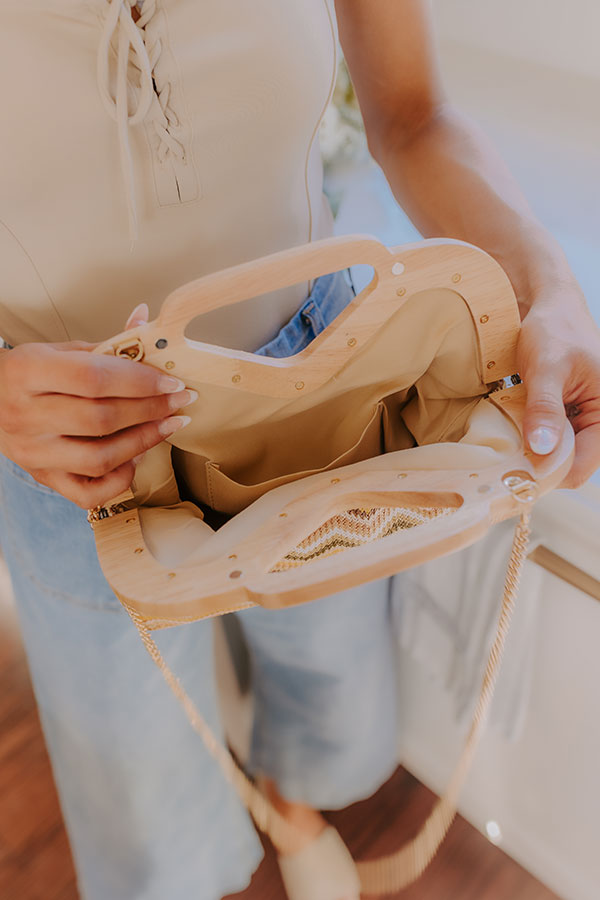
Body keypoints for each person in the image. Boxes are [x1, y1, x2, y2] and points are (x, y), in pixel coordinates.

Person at [0, 2, 598, 899]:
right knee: (135, 773)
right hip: (81, 446)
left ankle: (292, 804)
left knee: (332, 666)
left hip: (326, 371)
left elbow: (413, 116)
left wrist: (550, 286)